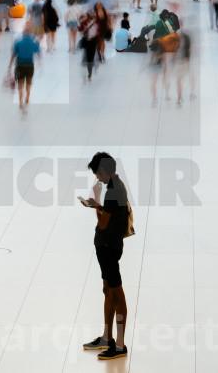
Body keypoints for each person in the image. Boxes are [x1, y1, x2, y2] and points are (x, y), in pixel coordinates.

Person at [81, 152, 130, 361]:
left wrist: (94, 205)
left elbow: (103, 224)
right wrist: (99, 205)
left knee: (116, 293)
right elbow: (110, 213)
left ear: (103, 170)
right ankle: (107, 338)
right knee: (108, 290)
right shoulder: (116, 185)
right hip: (109, 246)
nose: (96, 176)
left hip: (108, 246)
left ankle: (119, 345)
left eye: (96, 172)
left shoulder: (112, 192)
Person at [8, 28, 40, 114]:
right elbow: (38, 52)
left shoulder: (18, 43)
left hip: (20, 65)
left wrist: (10, 66)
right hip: (30, 65)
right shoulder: (33, 43)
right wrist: (40, 62)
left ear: (23, 34)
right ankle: (27, 100)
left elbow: (13, 55)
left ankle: (20, 102)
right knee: (28, 84)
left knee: (20, 84)